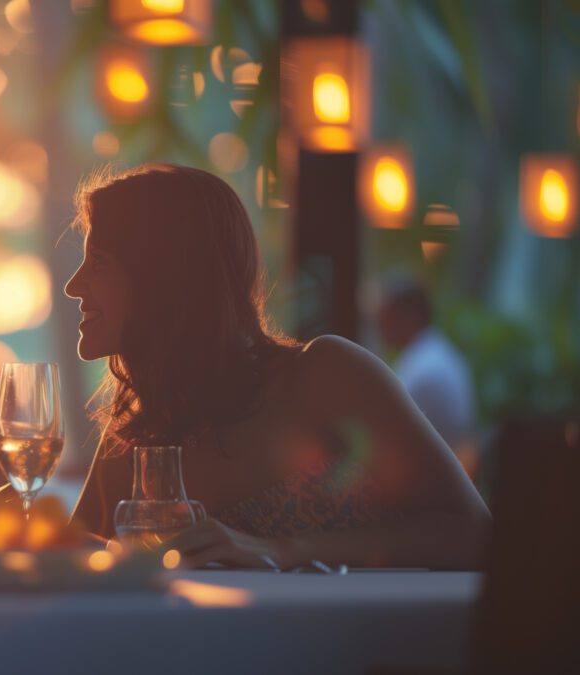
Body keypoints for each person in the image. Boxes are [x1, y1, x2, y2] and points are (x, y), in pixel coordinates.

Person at [65, 163, 490, 570]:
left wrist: (285, 550)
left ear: (164, 274)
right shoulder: (139, 427)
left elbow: (475, 533)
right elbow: (70, 558)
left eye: (98, 261)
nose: (73, 284)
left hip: (355, 644)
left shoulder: (326, 374)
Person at [377, 278, 478, 474]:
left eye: (386, 313)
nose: (379, 322)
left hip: (435, 485)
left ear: (411, 315)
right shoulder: (434, 353)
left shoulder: (425, 371)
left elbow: (387, 437)